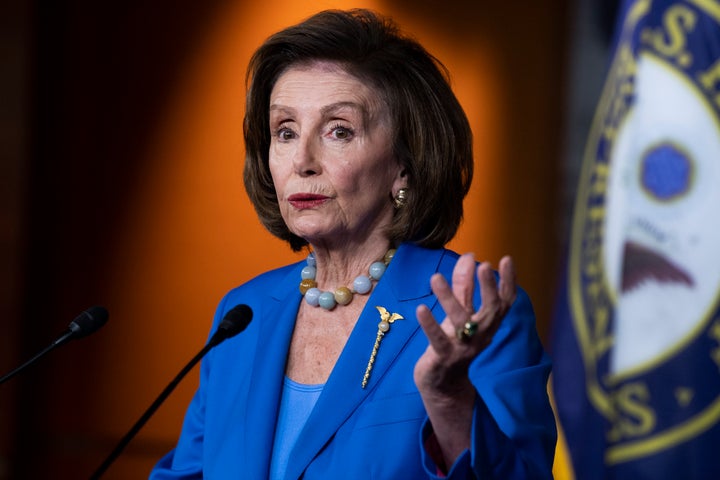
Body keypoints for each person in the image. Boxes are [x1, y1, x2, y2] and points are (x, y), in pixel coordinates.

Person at [150, 8, 556, 479]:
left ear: (404, 165)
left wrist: (449, 400)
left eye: (339, 130)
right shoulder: (245, 313)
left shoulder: (471, 311)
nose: (302, 160)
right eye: (285, 131)